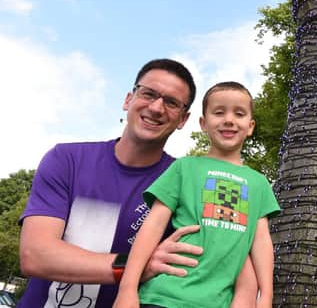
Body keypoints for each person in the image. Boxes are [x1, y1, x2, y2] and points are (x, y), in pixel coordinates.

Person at [18, 59, 255, 308]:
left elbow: (239, 266)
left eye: (171, 103)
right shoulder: (67, 160)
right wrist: (139, 265)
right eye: (148, 94)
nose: (156, 107)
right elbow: (35, 255)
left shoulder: (192, 180)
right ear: (128, 99)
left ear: (183, 119)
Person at [113, 81, 280, 308]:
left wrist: (266, 298)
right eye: (219, 112)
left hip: (217, 302)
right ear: (203, 123)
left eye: (238, 113)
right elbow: (152, 226)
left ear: (250, 126)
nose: (229, 119)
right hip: (163, 296)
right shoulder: (185, 167)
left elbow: (261, 241)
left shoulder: (259, 183)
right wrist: (127, 289)